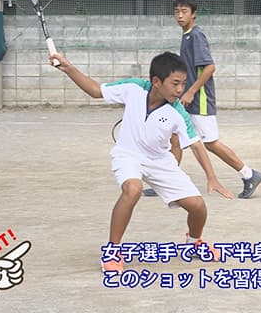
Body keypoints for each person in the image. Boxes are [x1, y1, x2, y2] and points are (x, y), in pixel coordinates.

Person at [50, 51, 233, 273]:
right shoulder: (134, 88)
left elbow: (195, 144)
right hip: (128, 155)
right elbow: (96, 90)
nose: (180, 90)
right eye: (175, 83)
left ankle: (194, 243)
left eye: (183, 84)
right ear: (156, 81)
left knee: (198, 207)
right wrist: (68, 68)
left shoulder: (178, 113)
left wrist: (212, 177)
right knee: (133, 189)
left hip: (160, 161)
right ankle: (112, 251)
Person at [173, 0, 261, 199]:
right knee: (175, 138)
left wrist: (191, 91)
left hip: (200, 99)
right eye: (177, 11)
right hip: (189, 99)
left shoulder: (196, 35)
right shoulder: (187, 35)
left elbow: (210, 67)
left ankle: (249, 175)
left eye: (184, 11)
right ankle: (167, 180)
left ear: (193, 14)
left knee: (210, 143)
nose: (179, 15)